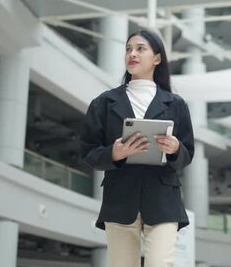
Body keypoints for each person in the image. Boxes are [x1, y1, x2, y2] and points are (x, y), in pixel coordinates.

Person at [80, 29, 194, 267]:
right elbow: (89, 153)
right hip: (120, 197)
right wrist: (114, 153)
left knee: (160, 264)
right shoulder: (103, 102)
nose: (132, 53)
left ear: (157, 58)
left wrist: (174, 149)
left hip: (163, 197)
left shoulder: (176, 104)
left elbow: (187, 155)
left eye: (140, 48)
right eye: (128, 49)